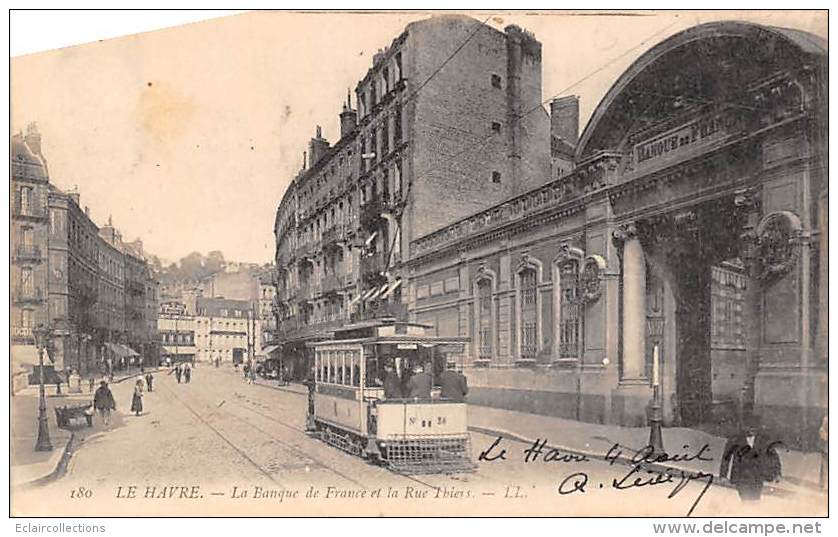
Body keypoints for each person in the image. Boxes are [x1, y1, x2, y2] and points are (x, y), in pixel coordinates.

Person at [719, 419, 783, 501]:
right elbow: (726, 457)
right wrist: (723, 475)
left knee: (755, 499)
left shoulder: (763, 441)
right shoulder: (735, 440)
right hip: (741, 476)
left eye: (754, 428)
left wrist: (777, 473)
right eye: (748, 428)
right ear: (744, 428)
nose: (751, 431)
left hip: (757, 477)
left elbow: (774, 457)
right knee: (745, 498)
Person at [819, 415, 828, 489]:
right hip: (826, 448)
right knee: (824, 466)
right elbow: (822, 432)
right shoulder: (826, 419)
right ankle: (822, 484)